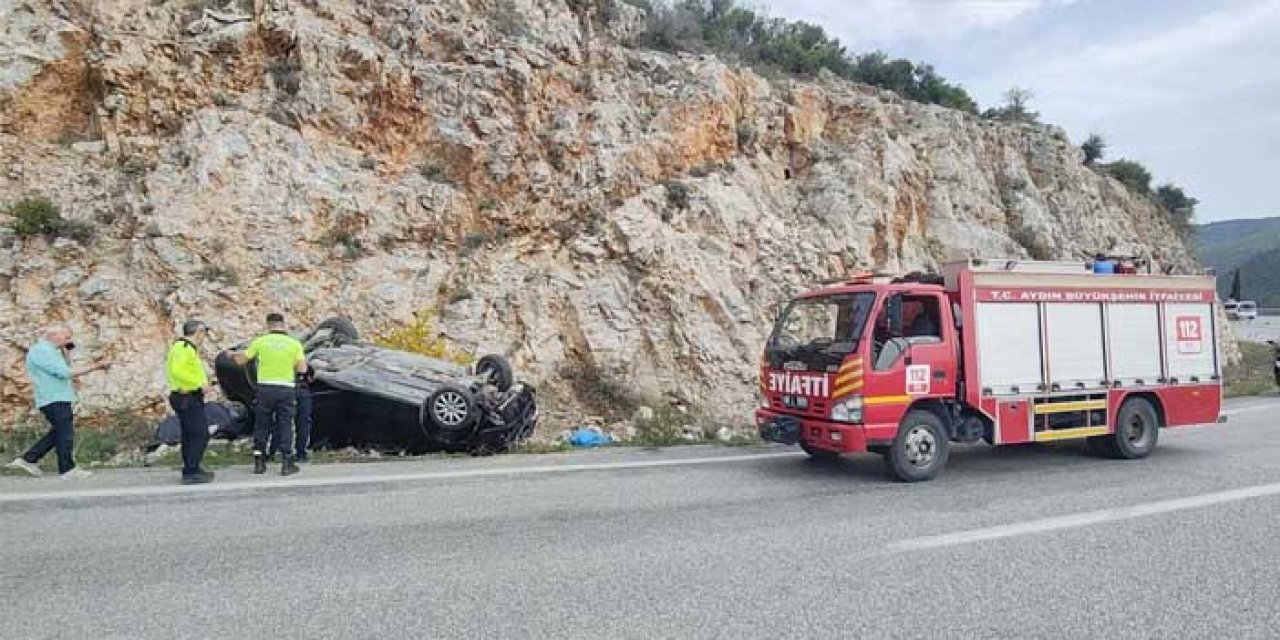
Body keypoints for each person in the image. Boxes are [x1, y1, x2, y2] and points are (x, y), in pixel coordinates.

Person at [5, 326, 93, 479]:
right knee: (65, 434)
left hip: (59, 396)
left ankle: (29, 459)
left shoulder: (53, 352)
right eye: (66, 337)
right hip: (52, 397)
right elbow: (65, 373)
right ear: (54, 336)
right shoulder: (42, 351)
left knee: (59, 432)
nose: (69, 341)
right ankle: (67, 469)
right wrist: (96, 367)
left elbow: (65, 368)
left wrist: (65, 352)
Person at [234, 313, 306, 476]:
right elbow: (302, 368)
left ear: (268, 325)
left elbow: (241, 361)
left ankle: (259, 462)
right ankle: (287, 462)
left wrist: (232, 355)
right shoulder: (294, 343)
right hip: (286, 389)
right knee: (286, 424)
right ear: (283, 324)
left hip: (265, 389)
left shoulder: (260, 341)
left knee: (262, 424)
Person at [166, 320, 215, 485]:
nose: (204, 337)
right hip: (185, 396)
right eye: (203, 333)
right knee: (200, 433)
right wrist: (199, 384)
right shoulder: (183, 348)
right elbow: (177, 371)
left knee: (190, 435)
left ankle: (192, 468)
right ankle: (191, 471)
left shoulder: (188, 349)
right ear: (198, 332)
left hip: (190, 396)